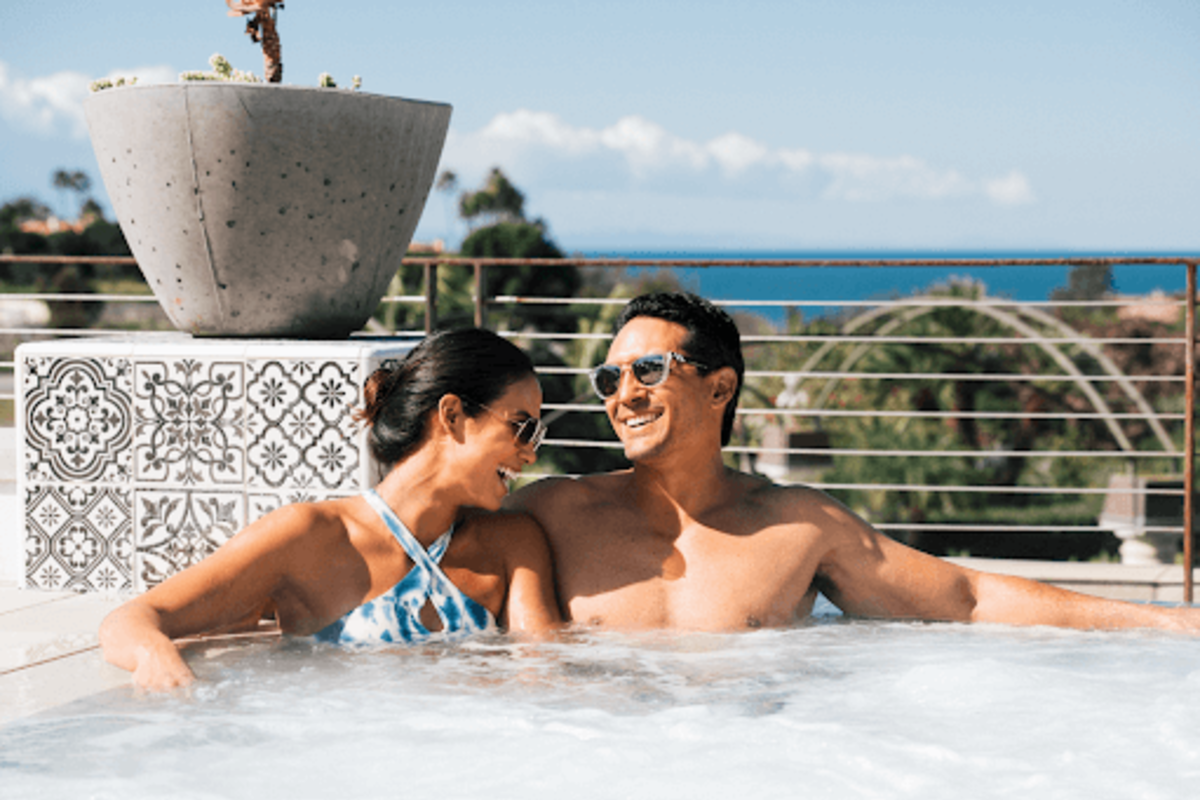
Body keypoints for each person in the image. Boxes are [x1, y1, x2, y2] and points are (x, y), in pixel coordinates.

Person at [506, 291, 1200, 632]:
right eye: (610, 378)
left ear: (721, 386)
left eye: (649, 370)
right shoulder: (552, 511)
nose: (623, 394)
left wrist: (1168, 623)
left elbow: (968, 599)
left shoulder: (799, 527)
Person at [101, 328, 561, 690]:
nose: (531, 454)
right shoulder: (309, 536)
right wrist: (154, 656)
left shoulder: (512, 544)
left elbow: (544, 678)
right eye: (522, 429)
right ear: (453, 416)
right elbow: (132, 620)